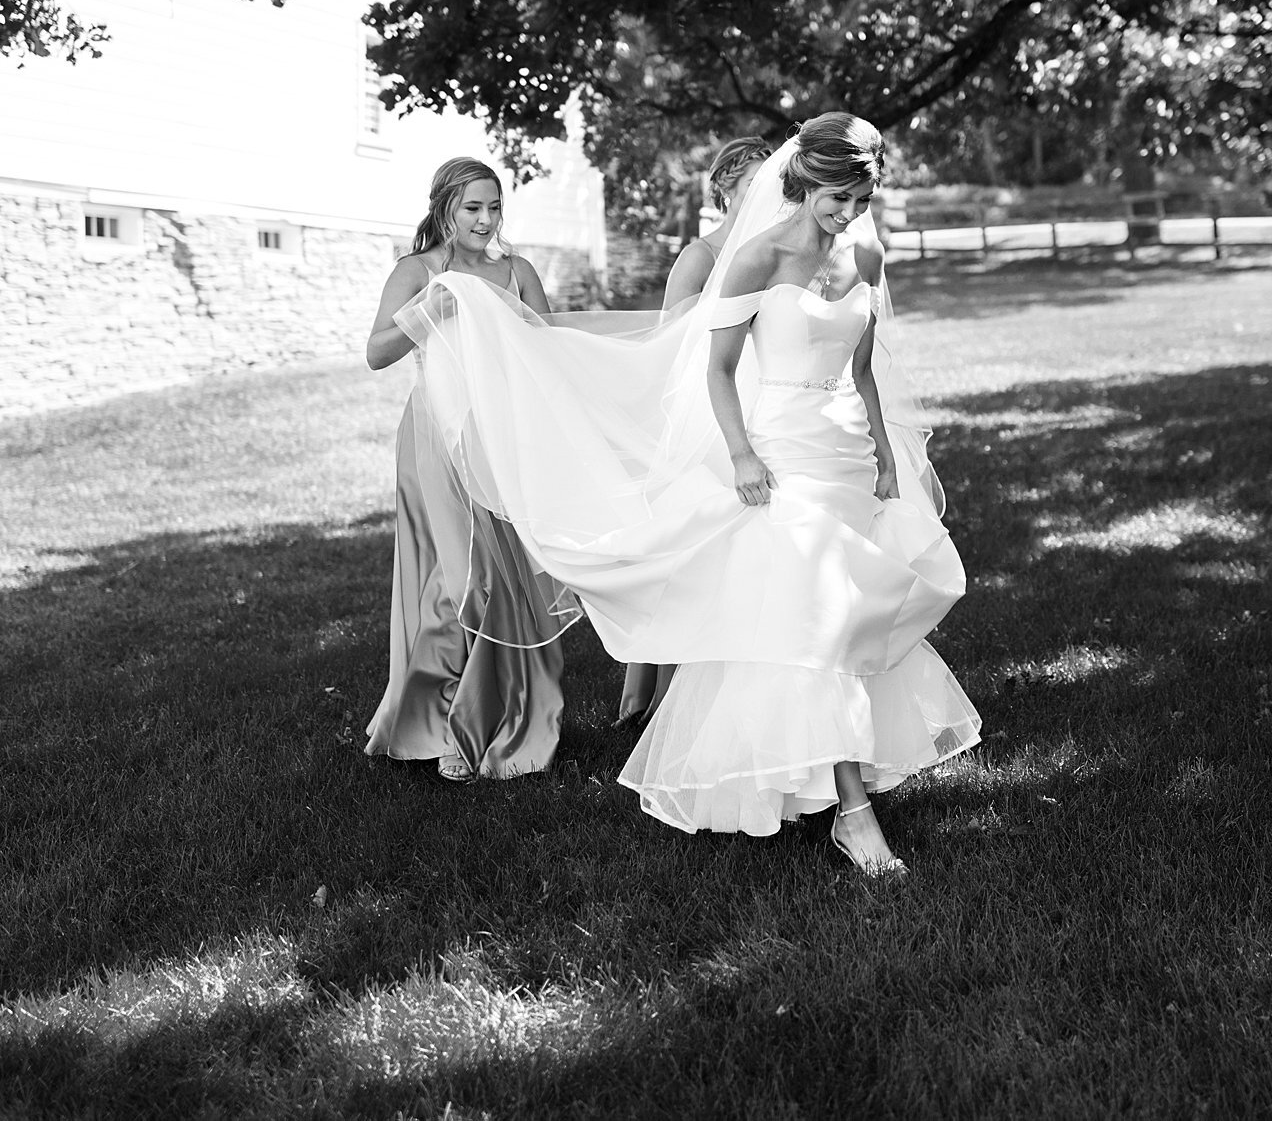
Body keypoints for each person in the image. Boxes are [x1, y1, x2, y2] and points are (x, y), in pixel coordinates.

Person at [393, 114, 979, 875]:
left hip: (847, 456)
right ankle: (853, 814)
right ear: (805, 183)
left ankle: (821, 773)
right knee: (813, 617)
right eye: (839, 198)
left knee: (847, 613)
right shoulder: (754, 260)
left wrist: (887, 460)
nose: (847, 215)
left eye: (860, 201)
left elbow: (863, 362)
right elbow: (714, 369)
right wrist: (739, 455)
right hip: (778, 457)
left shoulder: (861, 250)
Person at [360, 157, 575, 782]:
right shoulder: (419, 271)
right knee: (458, 582)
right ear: (445, 209)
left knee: (508, 581)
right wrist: (433, 309)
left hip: (504, 437)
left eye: (493, 207)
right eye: (471, 208)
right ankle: (446, 722)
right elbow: (376, 353)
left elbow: (550, 348)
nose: (485, 220)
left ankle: (497, 719)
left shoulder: (518, 271)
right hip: (437, 436)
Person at [614, 135, 774, 727]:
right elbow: (671, 341)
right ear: (725, 189)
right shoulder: (702, 255)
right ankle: (649, 698)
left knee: (738, 549)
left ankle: (725, 684)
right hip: (702, 411)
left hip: (760, 404)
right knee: (687, 547)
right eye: (751, 183)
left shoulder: (778, 250)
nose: (764, 194)